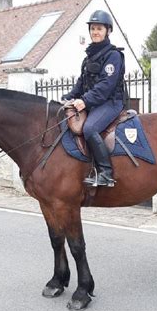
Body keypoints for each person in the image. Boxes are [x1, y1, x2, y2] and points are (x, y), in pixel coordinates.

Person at [62, 10, 125, 187]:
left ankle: (106, 173)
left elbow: (106, 85)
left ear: (108, 31)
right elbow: (81, 83)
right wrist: (67, 97)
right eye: (93, 28)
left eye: (99, 28)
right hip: (95, 102)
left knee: (89, 128)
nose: (95, 32)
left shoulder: (113, 56)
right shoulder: (89, 57)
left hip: (111, 102)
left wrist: (85, 101)